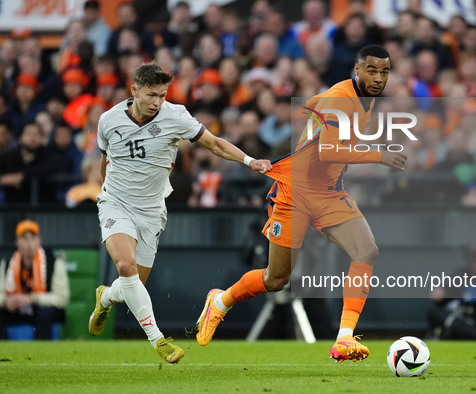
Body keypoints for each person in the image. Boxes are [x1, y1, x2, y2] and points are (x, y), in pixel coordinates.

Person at [195, 45, 407, 363]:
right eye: (373, 70)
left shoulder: (366, 99)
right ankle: (221, 301)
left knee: (367, 250)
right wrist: (379, 154)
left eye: (385, 72)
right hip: (295, 191)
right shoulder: (340, 98)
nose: (379, 78)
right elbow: (328, 150)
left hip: (328, 191)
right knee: (276, 279)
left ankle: (344, 339)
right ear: (358, 68)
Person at [87, 62, 272, 363]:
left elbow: (213, 144)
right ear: (134, 91)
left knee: (134, 285)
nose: (157, 102)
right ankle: (159, 341)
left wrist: (249, 160)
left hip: (151, 211)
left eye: (162, 95)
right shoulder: (108, 120)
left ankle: (105, 297)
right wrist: (107, 193)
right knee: (126, 266)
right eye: (151, 95)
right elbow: (105, 161)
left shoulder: (176, 116)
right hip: (115, 204)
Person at [0, 220, 69, 339]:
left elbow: (62, 298)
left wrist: (31, 298)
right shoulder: (7, 263)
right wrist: (6, 301)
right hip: (16, 310)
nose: (29, 243)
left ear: (39, 240)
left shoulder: (54, 263)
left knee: (45, 313)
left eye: (32, 238)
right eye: (24, 238)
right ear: (17, 242)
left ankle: (43, 354)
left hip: (40, 310)